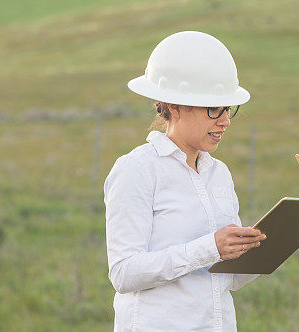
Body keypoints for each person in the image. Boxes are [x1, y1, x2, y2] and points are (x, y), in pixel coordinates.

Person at [104, 31, 266, 332]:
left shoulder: (220, 174)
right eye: (213, 109)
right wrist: (210, 248)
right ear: (173, 105)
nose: (225, 121)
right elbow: (124, 273)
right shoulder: (136, 170)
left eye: (228, 109)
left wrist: (275, 244)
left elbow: (228, 278)